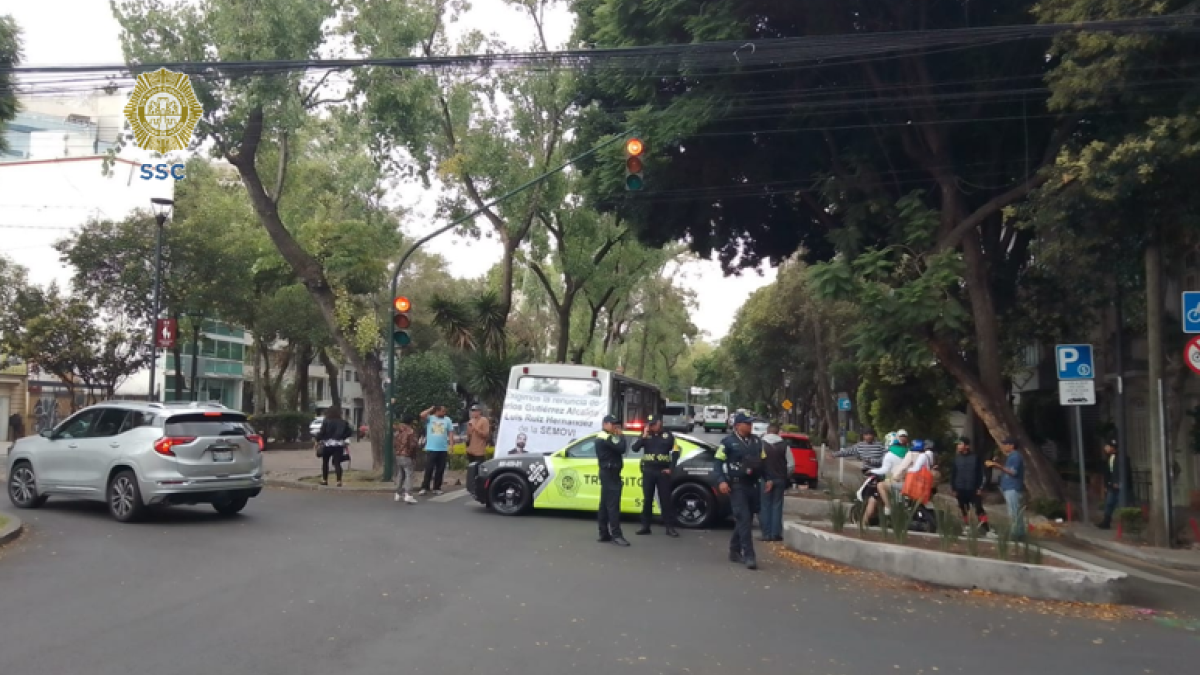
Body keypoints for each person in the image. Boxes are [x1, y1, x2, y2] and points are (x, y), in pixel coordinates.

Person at [715, 413, 766, 569]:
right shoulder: (728, 442)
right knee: (743, 518)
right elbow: (717, 462)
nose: (750, 426)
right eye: (747, 423)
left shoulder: (757, 441)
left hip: (753, 485)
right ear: (738, 425)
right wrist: (721, 480)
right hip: (737, 486)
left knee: (747, 519)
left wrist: (768, 478)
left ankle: (734, 549)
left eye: (751, 423)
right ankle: (749, 555)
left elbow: (763, 461)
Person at [632, 414, 680, 538]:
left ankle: (670, 527)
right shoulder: (645, 435)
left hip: (662, 472)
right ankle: (645, 526)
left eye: (654, 424)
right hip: (648, 471)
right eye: (650, 424)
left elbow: (675, 452)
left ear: (660, 423)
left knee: (665, 500)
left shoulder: (668, 436)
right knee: (647, 499)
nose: (652, 426)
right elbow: (635, 448)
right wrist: (643, 435)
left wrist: (671, 468)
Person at [596, 415, 630, 546]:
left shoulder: (606, 436)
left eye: (616, 424)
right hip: (610, 474)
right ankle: (617, 535)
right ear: (605, 424)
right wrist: (621, 436)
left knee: (604, 505)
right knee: (613, 506)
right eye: (612, 424)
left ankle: (603, 533)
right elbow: (621, 449)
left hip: (608, 473)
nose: (615, 427)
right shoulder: (605, 437)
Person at [759, 423, 793, 542]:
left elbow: (757, 462)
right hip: (780, 479)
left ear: (767, 431)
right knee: (777, 506)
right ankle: (775, 534)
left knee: (765, 506)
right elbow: (791, 465)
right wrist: (785, 475)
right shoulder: (785, 445)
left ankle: (766, 534)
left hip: (765, 479)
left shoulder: (761, 444)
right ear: (778, 432)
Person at [864, 434, 907, 525]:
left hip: (892, 484)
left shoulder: (889, 455)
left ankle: (863, 525)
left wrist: (871, 470)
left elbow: (884, 470)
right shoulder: (907, 452)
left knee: (873, 499)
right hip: (905, 484)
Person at [987, 438, 1026, 540]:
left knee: (1013, 511)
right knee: (1014, 510)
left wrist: (998, 466)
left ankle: (1016, 533)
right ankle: (1019, 532)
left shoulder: (1015, 456)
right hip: (1008, 487)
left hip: (1012, 487)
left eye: (1005, 444)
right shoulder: (1010, 457)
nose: (1004, 447)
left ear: (1012, 445)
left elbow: (1013, 472)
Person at [950, 437, 989, 534]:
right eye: (958, 444)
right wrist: (953, 488)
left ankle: (986, 528)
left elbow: (982, 474)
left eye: (960, 444)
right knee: (963, 509)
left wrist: (980, 487)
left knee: (979, 508)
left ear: (966, 446)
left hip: (973, 488)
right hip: (960, 488)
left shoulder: (975, 458)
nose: (958, 446)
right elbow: (953, 474)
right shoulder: (956, 459)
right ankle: (966, 527)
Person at [419, 405, 456, 496]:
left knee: (440, 469)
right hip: (431, 448)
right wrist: (431, 409)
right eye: (442, 411)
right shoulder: (430, 418)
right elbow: (422, 415)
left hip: (442, 448)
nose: (444, 413)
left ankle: (437, 487)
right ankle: (425, 487)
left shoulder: (447, 420)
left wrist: (451, 445)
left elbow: (451, 433)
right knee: (429, 468)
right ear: (437, 411)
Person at [316, 407, 354, 487]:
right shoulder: (343, 422)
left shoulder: (326, 421)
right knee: (337, 463)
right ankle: (339, 481)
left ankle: (324, 480)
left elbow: (322, 432)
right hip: (338, 445)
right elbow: (350, 432)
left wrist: (317, 439)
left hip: (327, 444)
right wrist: (343, 437)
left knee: (325, 463)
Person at [1098, 440, 1131, 529]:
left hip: (1120, 485)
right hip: (1111, 485)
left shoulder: (1122, 458)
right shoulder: (1109, 458)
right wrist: (1106, 484)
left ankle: (1124, 524)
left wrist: (1118, 482)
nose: (1106, 448)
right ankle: (1106, 522)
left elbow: (1124, 472)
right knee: (1109, 503)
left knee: (1121, 504)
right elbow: (1108, 472)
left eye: (1109, 446)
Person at [392, 418, 419, 504]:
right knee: (409, 474)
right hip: (407, 455)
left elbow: (394, 444)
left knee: (400, 474)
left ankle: (398, 493)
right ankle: (408, 494)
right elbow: (413, 445)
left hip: (398, 455)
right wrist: (412, 455)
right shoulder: (410, 431)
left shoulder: (397, 431)